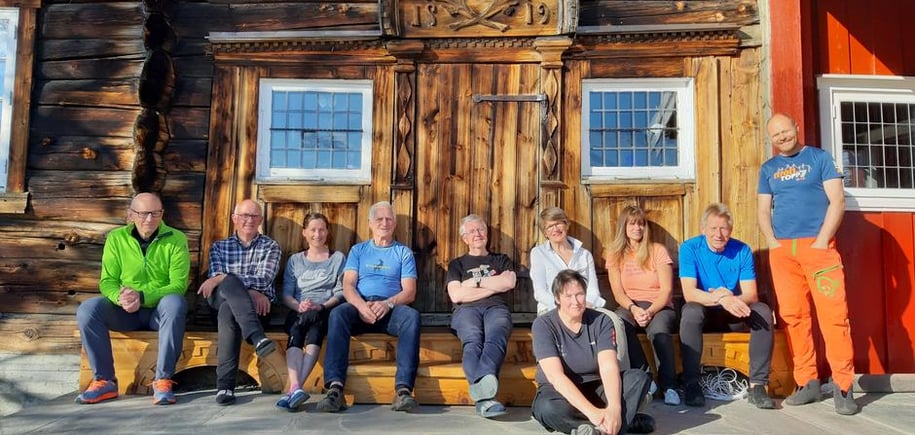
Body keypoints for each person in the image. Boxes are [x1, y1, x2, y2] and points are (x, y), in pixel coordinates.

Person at [758, 113, 858, 415]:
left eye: (785, 131)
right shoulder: (769, 168)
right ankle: (807, 383)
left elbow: (837, 201)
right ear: (771, 139)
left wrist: (823, 239)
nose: (782, 137)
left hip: (818, 248)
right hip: (783, 253)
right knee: (793, 317)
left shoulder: (819, 158)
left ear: (796, 128)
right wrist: (773, 242)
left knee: (834, 317)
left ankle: (843, 386)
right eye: (776, 135)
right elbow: (763, 210)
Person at [76, 192, 190, 405]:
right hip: (125, 312)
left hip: (158, 313)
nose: (150, 219)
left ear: (162, 213)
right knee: (88, 309)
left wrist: (143, 296)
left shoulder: (176, 239)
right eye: (144, 213)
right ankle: (105, 381)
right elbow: (107, 281)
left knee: (175, 302)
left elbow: (178, 285)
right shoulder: (116, 238)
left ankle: (163, 380)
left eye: (156, 213)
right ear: (131, 215)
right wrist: (121, 298)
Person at [315, 201, 421, 413]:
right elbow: (348, 285)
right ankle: (335, 389)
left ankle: (403, 391)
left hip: (390, 309)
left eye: (389, 219)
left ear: (395, 223)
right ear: (370, 223)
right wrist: (361, 306)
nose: (384, 223)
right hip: (360, 307)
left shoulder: (403, 252)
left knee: (412, 317)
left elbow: (409, 292)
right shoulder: (358, 250)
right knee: (337, 314)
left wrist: (387, 303)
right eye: (379, 219)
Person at [531, 270, 655, 435]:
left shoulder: (601, 321)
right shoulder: (543, 325)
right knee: (547, 408)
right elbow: (556, 377)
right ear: (557, 299)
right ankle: (621, 423)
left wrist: (614, 409)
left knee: (638, 378)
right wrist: (593, 413)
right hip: (559, 391)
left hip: (596, 385)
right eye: (568, 296)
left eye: (579, 294)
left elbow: (608, 367)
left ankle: (598, 429)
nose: (575, 301)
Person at [678, 203, 775, 409]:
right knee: (691, 312)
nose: (719, 234)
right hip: (705, 309)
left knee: (763, 312)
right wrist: (721, 298)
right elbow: (689, 293)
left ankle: (758, 385)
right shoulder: (689, 248)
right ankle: (692, 383)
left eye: (724, 229)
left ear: (730, 230)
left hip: (733, 311)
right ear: (703, 229)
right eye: (713, 228)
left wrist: (731, 299)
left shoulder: (742, 250)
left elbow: (751, 293)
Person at [197, 199, 284, 406]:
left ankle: (225, 387)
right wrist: (246, 289)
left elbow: (264, 279)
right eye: (244, 215)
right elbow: (217, 282)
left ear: (260, 220)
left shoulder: (271, 246)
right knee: (228, 289)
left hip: (258, 311)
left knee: (228, 308)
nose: (249, 220)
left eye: (254, 216)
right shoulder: (219, 247)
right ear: (234, 218)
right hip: (222, 301)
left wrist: (224, 278)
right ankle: (257, 338)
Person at [606, 205, 680, 406]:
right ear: (624, 227)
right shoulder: (615, 254)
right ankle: (646, 377)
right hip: (630, 306)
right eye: (632, 224)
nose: (637, 228)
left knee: (659, 332)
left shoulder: (658, 251)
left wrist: (650, 311)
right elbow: (618, 293)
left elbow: (666, 290)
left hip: (659, 306)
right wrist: (633, 309)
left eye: (641, 224)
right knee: (619, 324)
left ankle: (670, 386)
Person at [445, 214, 517, 418]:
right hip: (465, 310)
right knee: (473, 340)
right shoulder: (457, 264)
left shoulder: (501, 259)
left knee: (496, 336)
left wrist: (474, 283)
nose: (478, 234)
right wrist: (493, 286)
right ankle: (485, 398)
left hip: (496, 309)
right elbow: (456, 295)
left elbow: (509, 282)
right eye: (472, 231)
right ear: (465, 238)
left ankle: (483, 398)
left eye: (481, 229)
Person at [274, 212, 345, 412]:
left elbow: (340, 292)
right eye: (313, 230)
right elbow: (287, 294)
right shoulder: (295, 260)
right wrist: (299, 306)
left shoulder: (337, 258)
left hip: (324, 309)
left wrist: (321, 306)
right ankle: (296, 387)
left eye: (321, 230)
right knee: (296, 330)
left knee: (316, 329)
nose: (317, 234)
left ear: (327, 232)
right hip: (299, 310)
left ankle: (294, 389)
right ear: (304, 232)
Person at [531, 207, 606, 315]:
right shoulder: (538, 253)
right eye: (550, 226)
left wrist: (583, 306)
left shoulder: (584, 255)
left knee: (611, 321)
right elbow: (540, 292)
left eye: (558, 223)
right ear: (545, 233)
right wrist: (565, 306)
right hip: (552, 310)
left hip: (583, 309)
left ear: (566, 225)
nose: (555, 229)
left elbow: (593, 290)